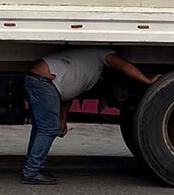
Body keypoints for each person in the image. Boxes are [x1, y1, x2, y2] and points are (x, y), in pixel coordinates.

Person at [21, 47, 154, 185]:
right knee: (48, 128)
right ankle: (32, 172)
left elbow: (68, 93)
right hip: (44, 81)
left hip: (43, 80)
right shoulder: (102, 53)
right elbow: (124, 66)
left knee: (42, 127)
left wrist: (63, 119)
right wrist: (147, 81)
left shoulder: (92, 69)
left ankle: (31, 169)